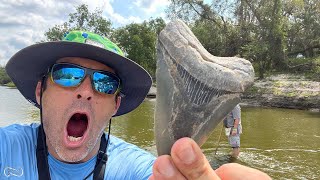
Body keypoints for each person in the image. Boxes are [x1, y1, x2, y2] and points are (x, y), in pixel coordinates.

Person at [1, 30, 271, 179]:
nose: (85, 91)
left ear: (116, 104)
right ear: (40, 92)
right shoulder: (5, 148)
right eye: (67, 75)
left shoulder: (137, 169)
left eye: (105, 82)